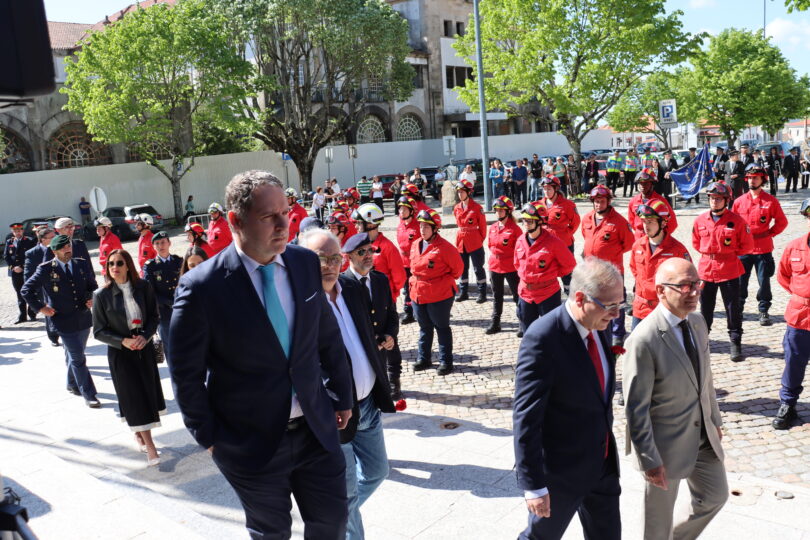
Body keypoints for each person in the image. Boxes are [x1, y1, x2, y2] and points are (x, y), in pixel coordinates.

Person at [168, 170, 354, 539]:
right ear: (235, 220)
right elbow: (185, 374)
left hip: (316, 430)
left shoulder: (304, 263)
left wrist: (342, 395)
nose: (285, 225)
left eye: (286, 212)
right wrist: (209, 438)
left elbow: (326, 335)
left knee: (332, 524)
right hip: (250, 443)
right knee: (272, 533)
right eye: (269, 216)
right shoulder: (201, 287)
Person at [513, 257, 622, 540]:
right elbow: (526, 417)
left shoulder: (599, 325)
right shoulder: (543, 337)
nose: (616, 314)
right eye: (610, 305)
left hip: (602, 465)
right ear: (581, 298)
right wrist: (533, 485)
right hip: (561, 473)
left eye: (620, 304)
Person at [298, 229, 395, 540]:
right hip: (336, 413)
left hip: (368, 404)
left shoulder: (352, 289)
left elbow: (366, 335)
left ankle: (336, 518)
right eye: (320, 259)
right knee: (348, 493)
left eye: (334, 258)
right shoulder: (301, 304)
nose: (329, 265)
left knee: (378, 472)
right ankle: (344, 519)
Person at [624, 258, 727, 539]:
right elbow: (636, 408)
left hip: (703, 436)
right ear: (660, 290)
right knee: (656, 523)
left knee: (715, 496)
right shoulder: (643, 339)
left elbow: (705, 379)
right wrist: (648, 459)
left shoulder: (697, 322)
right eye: (684, 286)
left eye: (696, 284)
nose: (693, 292)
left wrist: (714, 419)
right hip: (664, 447)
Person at [92, 249, 167, 467]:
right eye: (110, 264)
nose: (114, 267)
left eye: (119, 263)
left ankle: (138, 433)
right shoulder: (101, 295)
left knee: (146, 395)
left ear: (128, 266)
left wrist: (145, 336)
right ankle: (150, 446)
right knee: (133, 397)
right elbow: (98, 331)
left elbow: (154, 317)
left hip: (143, 349)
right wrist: (123, 341)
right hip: (121, 353)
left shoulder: (144, 287)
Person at [21, 234, 100, 408]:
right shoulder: (46, 269)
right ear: (54, 251)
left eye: (68, 246)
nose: (67, 249)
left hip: (83, 318)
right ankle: (89, 394)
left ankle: (72, 384)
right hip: (62, 320)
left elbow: (92, 286)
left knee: (76, 353)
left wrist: (91, 298)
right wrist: (41, 308)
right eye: (63, 248)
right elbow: (26, 290)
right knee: (78, 357)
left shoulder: (80, 264)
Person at [691, 182, 754, 362]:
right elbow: (696, 242)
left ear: (727, 200)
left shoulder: (737, 221)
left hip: (729, 269)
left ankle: (735, 342)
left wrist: (728, 254)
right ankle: (703, 341)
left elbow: (747, 246)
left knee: (733, 309)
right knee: (705, 309)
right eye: (712, 198)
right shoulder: (700, 220)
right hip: (706, 269)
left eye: (718, 198)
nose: (714, 201)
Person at [342, 232, 404, 400]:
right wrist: (371, 341)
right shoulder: (342, 285)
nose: (368, 255)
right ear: (349, 256)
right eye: (361, 252)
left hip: (382, 352)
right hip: (359, 358)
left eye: (370, 250)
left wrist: (390, 334)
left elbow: (391, 313)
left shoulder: (380, 280)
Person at [732, 165, 788, 326]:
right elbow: (732, 224)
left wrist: (769, 234)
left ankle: (763, 310)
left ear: (762, 180)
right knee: (740, 281)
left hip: (763, 249)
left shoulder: (770, 201)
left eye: (755, 178)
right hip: (743, 249)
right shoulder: (739, 201)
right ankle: (738, 309)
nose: (752, 181)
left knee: (764, 281)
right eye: (749, 178)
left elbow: (782, 222)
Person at [409, 209, 463, 375]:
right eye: (421, 226)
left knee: (441, 327)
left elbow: (458, 270)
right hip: (418, 293)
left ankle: (446, 361)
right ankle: (424, 358)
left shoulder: (445, 248)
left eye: (426, 226)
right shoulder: (415, 244)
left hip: (439, 294)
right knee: (424, 327)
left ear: (435, 228)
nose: (422, 229)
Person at [581, 185, 634, 346]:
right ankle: (597, 327)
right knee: (594, 299)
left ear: (608, 202)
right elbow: (586, 236)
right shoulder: (587, 218)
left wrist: (610, 253)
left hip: (612, 271)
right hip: (592, 270)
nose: (599, 205)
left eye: (602, 201)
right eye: (596, 201)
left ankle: (617, 332)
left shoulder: (619, 221)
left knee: (616, 302)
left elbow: (629, 243)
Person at [773, 198, 810, 430]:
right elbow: (783, 275)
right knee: (793, 362)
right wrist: (801, 295)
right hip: (800, 316)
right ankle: (788, 404)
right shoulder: (794, 247)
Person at [514, 201, 576, 336]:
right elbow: (517, 264)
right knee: (528, 334)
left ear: (540, 221)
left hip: (547, 294)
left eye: (530, 221)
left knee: (551, 334)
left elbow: (570, 264)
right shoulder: (520, 241)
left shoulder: (553, 242)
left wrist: (550, 274)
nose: (526, 224)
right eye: (524, 220)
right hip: (526, 294)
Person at [628, 201, 691, 328]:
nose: (646, 226)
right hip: (640, 309)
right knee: (637, 341)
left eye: (650, 222)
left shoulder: (677, 250)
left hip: (665, 310)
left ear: (663, 223)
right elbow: (634, 269)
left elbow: (688, 279)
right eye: (644, 221)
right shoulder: (638, 246)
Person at [351, 203, 405, 305]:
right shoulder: (357, 246)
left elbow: (399, 277)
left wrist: (389, 294)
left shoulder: (387, 247)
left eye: (359, 223)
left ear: (370, 225)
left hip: (383, 300)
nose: (356, 226)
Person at [142, 231, 182, 362]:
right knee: (170, 347)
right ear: (153, 246)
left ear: (169, 243)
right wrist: (170, 302)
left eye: (163, 242)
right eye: (157, 243)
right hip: (164, 312)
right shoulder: (150, 266)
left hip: (182, 309)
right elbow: (150, 292)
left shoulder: (179, 261)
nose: (161, 246)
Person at [485, 196, 521, 335]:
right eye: (496, 210)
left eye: (501, 210)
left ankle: (522, 322)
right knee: (497, 296)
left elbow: (520, 249)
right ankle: (495, 323)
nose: (498, 213)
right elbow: (490, 245)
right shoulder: (493, 227)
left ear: (508, 211)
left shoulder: (515, 229)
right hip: (494, 266)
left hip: (510, 266)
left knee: (517, 296)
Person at [541, 175, 580, 294]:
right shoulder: (538, 204)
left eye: (549, 189)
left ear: (556, 189)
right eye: (544, 189)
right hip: (545, 244)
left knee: (567, 271)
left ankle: (570, 295)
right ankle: (551, 296)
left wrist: (566, 234)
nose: (546, 192)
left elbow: (575, 222)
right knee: (547, 270)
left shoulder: (567, 204)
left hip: (564, 243)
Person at [453, 179, 488, 304]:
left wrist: (479, 240)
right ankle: (464, 292)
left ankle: (482, 293)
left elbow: (483, 228)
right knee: (463, 268)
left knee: (478, 268)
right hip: (461, 242)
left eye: (462, 192)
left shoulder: (477, 208)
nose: (460, 194)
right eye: (458, 192)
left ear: (469, 192)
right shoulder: (457, 208)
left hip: (475, 242)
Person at [24, 227, 60, 346]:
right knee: (50, 312)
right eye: (52, 237)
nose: (55, 239)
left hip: (61, 285)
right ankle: (53, 337)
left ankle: (67, 333)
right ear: (42, 239)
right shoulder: (32, 253)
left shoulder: (60, 248)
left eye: (55, 236)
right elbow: (28, 274)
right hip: (45, 289)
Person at [626, 168, 678, 240]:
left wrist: (660, 236)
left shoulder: (661, 201)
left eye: (646, 183)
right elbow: (631, 222)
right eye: (640, 183)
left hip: (656, 240)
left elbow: (672, 223)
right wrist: (641, 234)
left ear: (652, 184)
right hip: (639, 240)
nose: (642, 185)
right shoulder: (633, 201)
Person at [4, 223, 36, 323]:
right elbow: (6, 256)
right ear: (12, 232)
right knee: (19, 293)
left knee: (30, 291)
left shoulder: (29, 241)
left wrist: (22, 267)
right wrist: (13, 267)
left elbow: (31, 256)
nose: (17, 233)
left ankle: (32, 313)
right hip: (15, 272)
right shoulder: (9, 241)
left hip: (26, 271)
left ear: (22, 231)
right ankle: (22, 316)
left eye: (19, 231)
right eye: (15, 231)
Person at [396, 196, 420, 325]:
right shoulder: (400, 226)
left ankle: (420, 311)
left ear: (412, 211)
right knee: (407, 288)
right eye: (400, 209)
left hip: (415, 262)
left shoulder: (418, 227)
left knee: (418, 287)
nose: (401, 211)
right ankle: (409, 312)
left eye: (404, 209)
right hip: (403, 262)